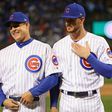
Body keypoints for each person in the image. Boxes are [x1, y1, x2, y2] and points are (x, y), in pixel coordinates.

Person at [52, 3, 112, 112]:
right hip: (67, 102)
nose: (67, 23)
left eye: (72, 20)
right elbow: (56, 78)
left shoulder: (98, 42)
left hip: (92, 102)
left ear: (82, 20)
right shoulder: (58, 46)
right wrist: (54, 105)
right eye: (66, 19)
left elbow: (109, 72)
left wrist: (89, 56)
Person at [0, 11, 61, 112]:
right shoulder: (2, 53)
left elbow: (53, 77)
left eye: (16, 25)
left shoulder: (44, 48)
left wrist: (33, 92)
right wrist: (3, 101)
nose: (13, 29)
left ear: (27, 25)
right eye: (10, 27)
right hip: (9, 108)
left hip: (34, 106)